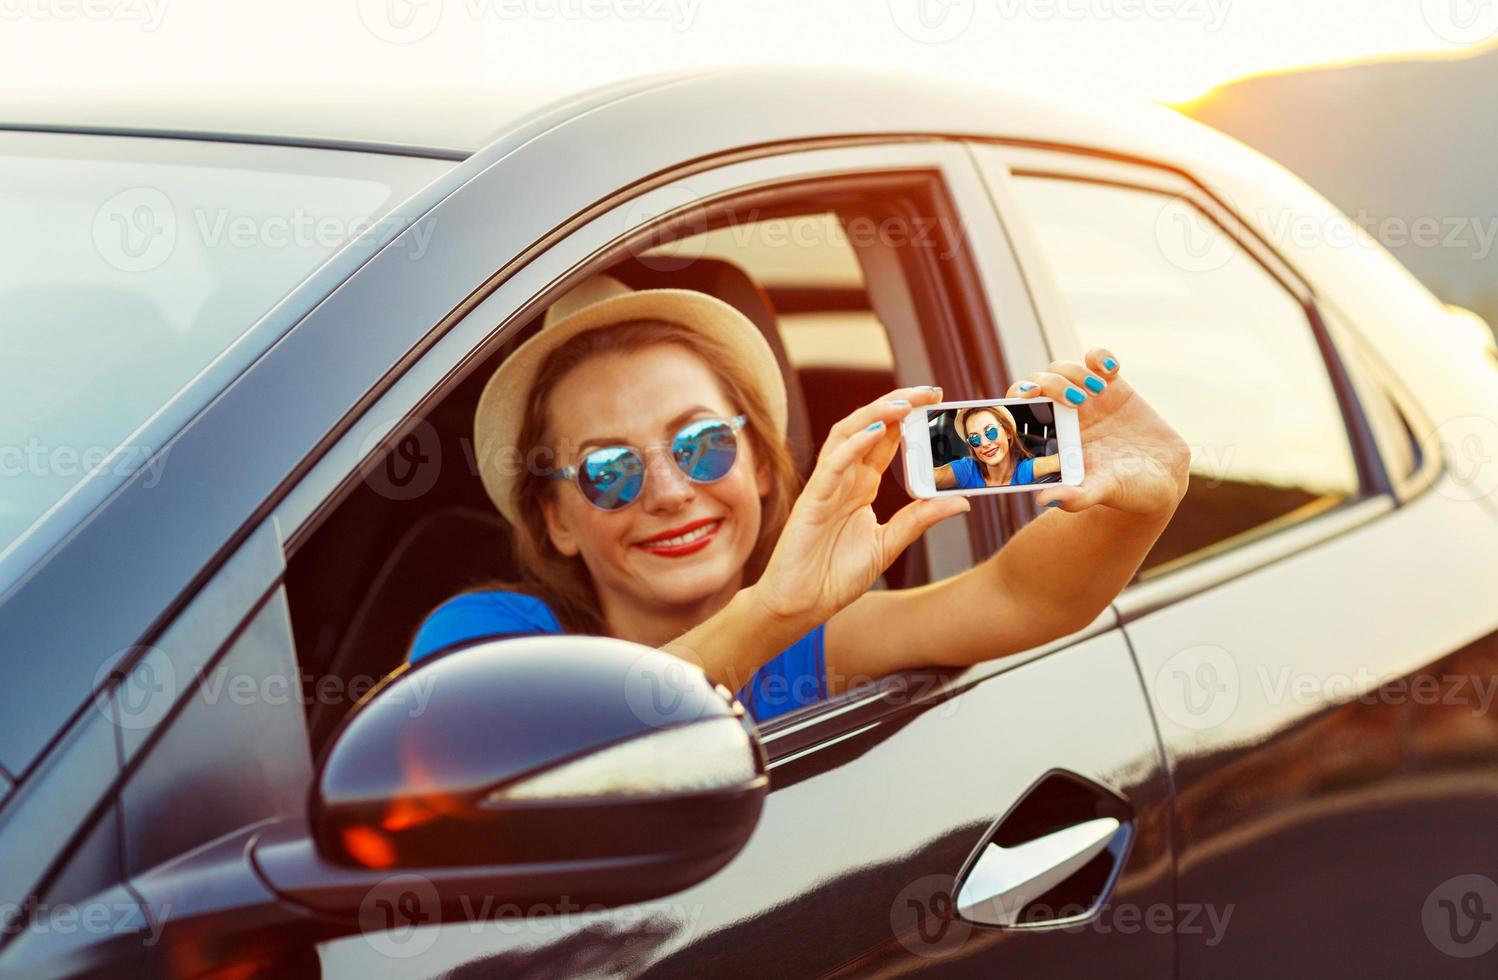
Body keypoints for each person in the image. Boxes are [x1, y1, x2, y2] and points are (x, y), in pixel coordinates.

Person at [407, 275, 1190, 722]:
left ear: (761, 467)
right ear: (556, 519)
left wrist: (1142, 504)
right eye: (610, 469)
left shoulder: (819, 639)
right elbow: (530, 747)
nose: (672, 492)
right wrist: (772, 612)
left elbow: (1020, 595)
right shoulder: (486, 639)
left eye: (702, 445)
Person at [934, 404, 1060, 489]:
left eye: (990, 432)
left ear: (1008, 432)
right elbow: (933, 477)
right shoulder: (967, 470)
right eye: (974, 438)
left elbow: (1067, 460)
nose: (984, 443)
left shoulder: (1025, 470)